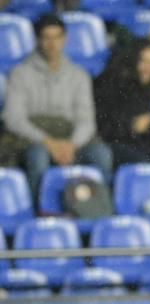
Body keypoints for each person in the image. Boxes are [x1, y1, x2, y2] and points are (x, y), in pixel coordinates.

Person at [0, 13, 112, 199]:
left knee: (101, 154)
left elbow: (86, 120)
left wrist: (70, 145)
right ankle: (38, 212)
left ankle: (97, 209)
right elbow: (14, 119)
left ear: (65, 39)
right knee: (38, 157)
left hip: (70, 140)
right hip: (35, 140)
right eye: (46, 38)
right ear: (38, 40)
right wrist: (48, 142)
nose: (52, 44)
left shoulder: (79, 75)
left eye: (57, 37)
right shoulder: (19, 74)